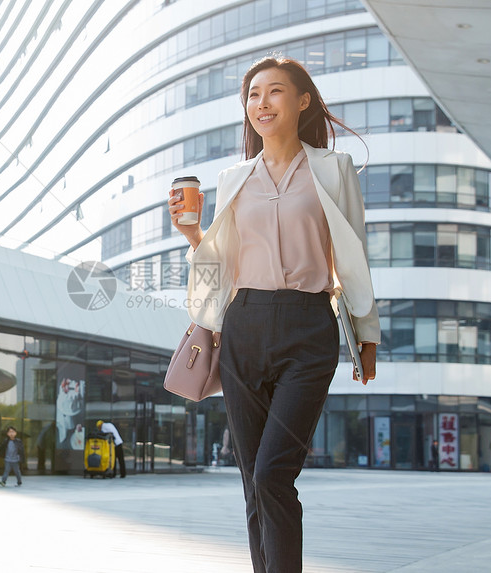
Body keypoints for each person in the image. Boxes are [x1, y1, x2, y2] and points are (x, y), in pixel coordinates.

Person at [168, 56, 379, 573]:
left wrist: (366, 334)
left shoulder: (334, 169)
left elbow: (353, 255)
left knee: (272, 475)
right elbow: (222, 266)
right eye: (254, 94)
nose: (262, 103)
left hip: (310, 327)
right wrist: (196, 239)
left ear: (302, 101)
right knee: (252, 483)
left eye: (275, 92)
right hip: (244, 325)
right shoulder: (232, 178)